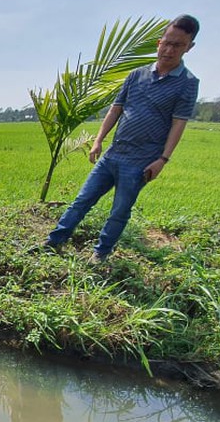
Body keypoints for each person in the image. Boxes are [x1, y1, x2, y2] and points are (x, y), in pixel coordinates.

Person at [40, 14, 200, 262]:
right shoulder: (136, 75)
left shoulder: (187, 83)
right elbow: (116, 108)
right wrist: (98, 140)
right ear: (159, 42)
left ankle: (100, 254)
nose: (169, 50)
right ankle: (54, 241)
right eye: (166, 43)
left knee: (119, 211)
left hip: (142, 161)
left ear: (189, 47)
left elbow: (179, 124)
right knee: (82, 201)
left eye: (177, 45)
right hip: (113, 153)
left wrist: (163, 159)